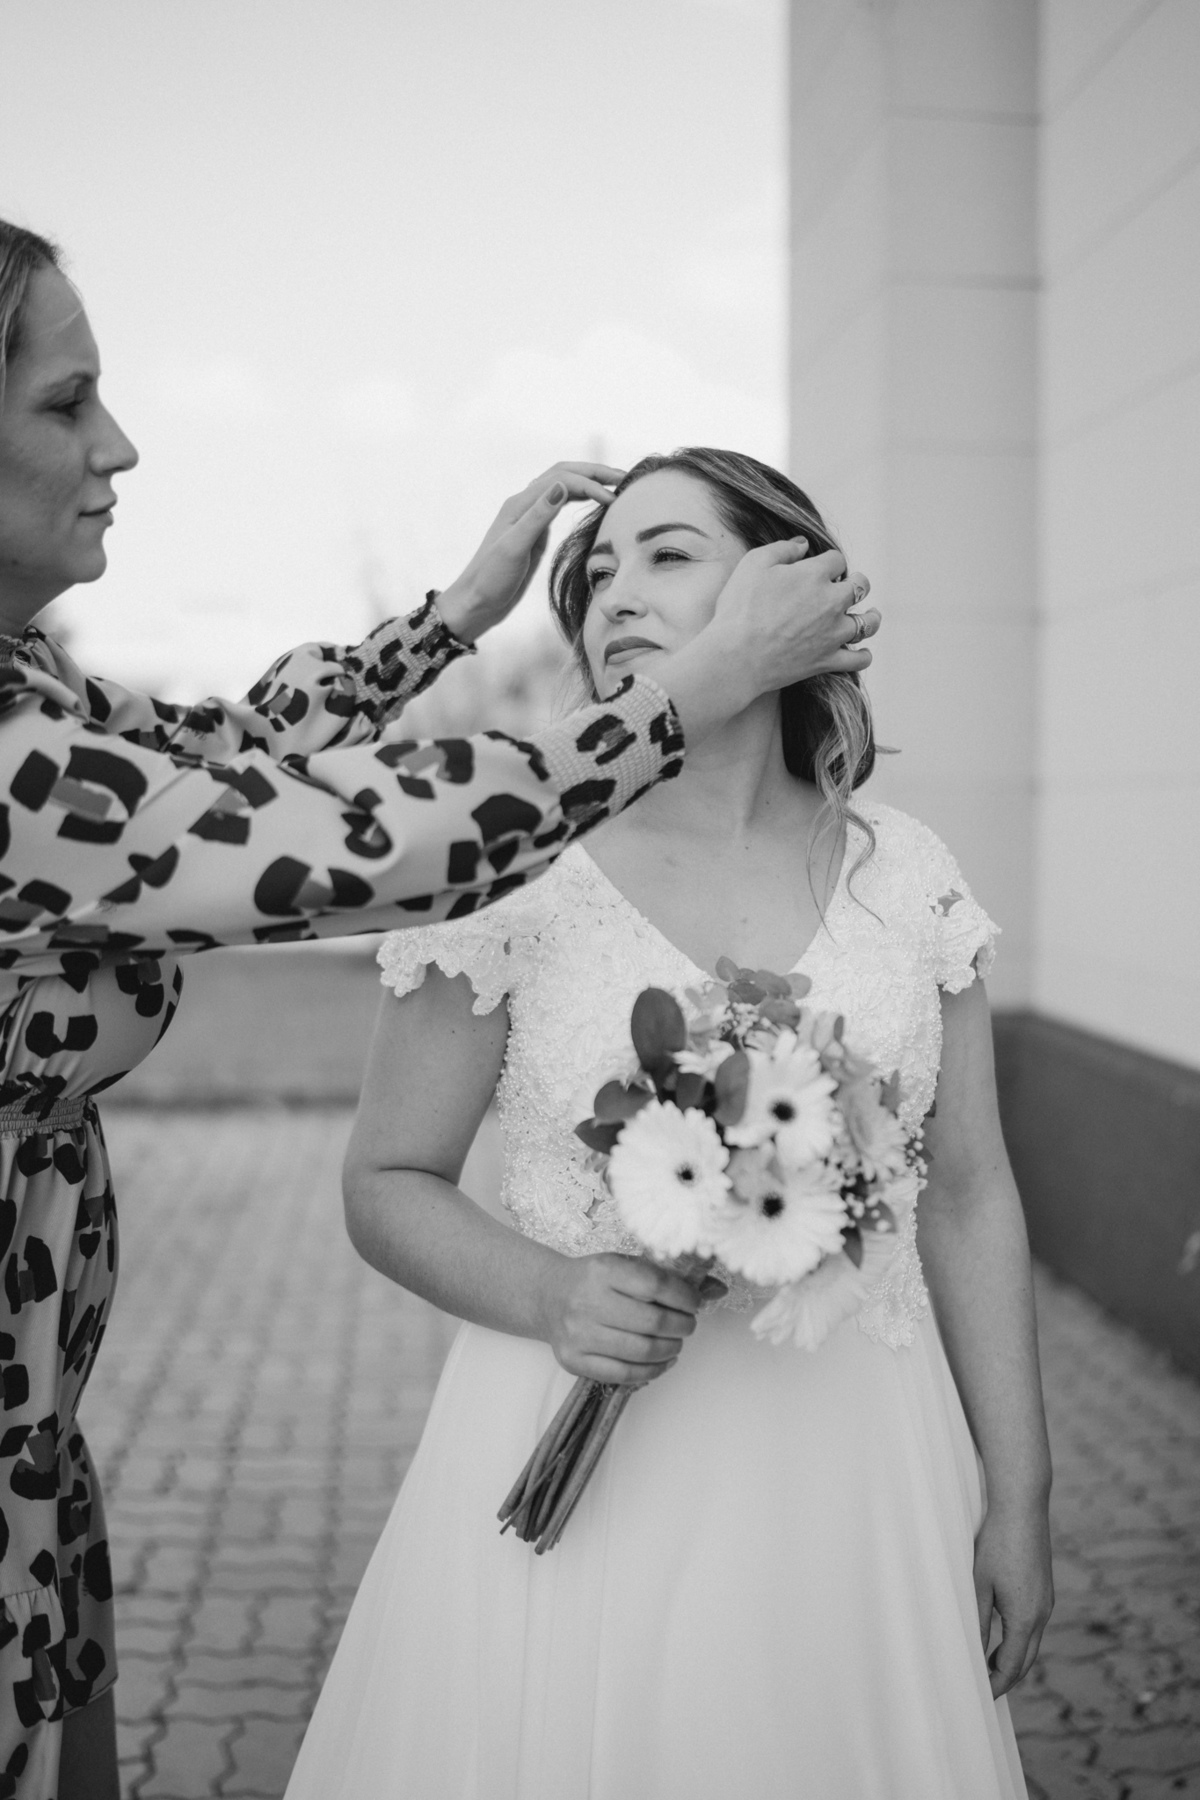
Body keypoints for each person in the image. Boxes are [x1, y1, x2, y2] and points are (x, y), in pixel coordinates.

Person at [0, 221, 880, 1800]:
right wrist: (682, 695)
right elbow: (355, 846)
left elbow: (235, 754)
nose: (118, 443)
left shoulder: (31, 689)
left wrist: (460, 608)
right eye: (68, 403)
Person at [284, 447, 1054, 1800]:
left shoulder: (909, 875)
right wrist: (554, 1289)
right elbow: (386, 1180)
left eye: (669, 552)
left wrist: (1024, 1493)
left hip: (860, 1477)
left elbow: (969, 1195)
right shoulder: (516, 866)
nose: (615, 590)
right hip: (580, 1484)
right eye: (600, 568)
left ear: (790, 586)